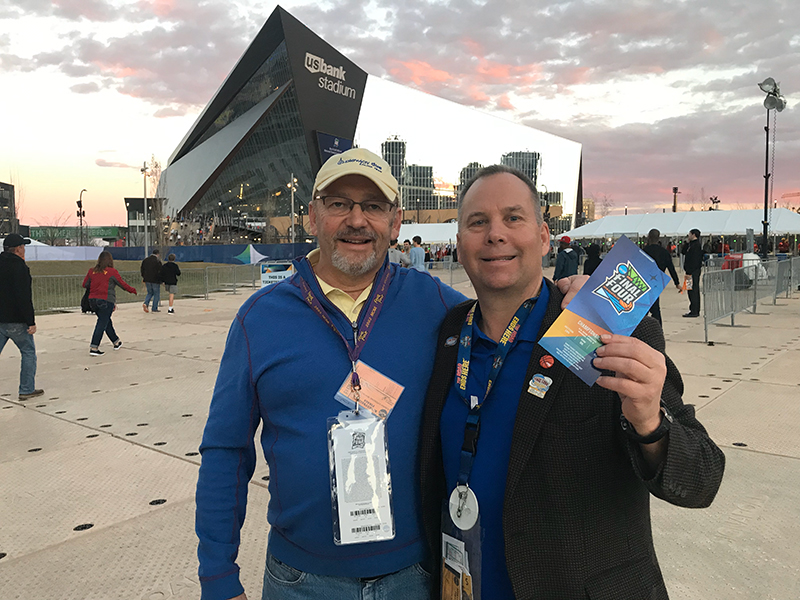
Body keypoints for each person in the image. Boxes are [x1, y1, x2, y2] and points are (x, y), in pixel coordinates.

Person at [194, 148, 589, 600]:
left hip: (415, 576)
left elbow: (514, 317)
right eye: (339, 203)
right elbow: (226, 452)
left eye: (373, 206)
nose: (357, 220)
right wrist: (218, 577)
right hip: (301, 580)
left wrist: (572, 298)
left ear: (395, 222)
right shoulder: (258, 320)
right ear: (311, 217)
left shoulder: (439, 307)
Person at [419, 165, 725, 600]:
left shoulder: (605, 327)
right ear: (460, 243)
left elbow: (702, 478)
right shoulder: (449, 334)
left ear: (544, 237)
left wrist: (650, 424)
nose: (495, 234)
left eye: (513, 218)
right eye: (477, 222)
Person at [0, 234, 43, 400]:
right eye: (23, 246)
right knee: (28, 352)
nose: (24, 249)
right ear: (18, 248)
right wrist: (30, 321)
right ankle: (26, 389)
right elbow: (23, 296)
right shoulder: (20, 267)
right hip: (17, 320)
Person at [82, 251, 137, 356]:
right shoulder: (112, 272)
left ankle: (116, 341)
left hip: (92, 300)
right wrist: (132, 290)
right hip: (106, 300)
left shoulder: (92, 271)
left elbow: (85, 284)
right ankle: (94, 347)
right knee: (102, 323)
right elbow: (122, 284)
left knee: (105, 321)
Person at [643, 229, 681, 325]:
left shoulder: (644, 251)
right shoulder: (664, 252)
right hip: (657, 281)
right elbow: (671, 268)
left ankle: (641, 328)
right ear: (658, 238)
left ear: (648, 237)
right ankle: (658, 328)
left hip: (644, 281)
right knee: (656, 309)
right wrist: (677, 283)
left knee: (643, 308)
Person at [681, 229, 703, 317]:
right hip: (689, 271)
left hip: (693, 271)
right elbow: (683, 252)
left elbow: (695, 260)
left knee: (693, 290)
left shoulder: (696, 245)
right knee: (689, 290)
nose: (688, 236)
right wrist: (686, 243)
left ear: (693, 235)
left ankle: (695, 310)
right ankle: (692, 308)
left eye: (689, 234)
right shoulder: (690, 244)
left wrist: (690, 271)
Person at [140, 248, 162, 313]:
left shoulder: (145, 260)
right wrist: (161, 280)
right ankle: (154, 308)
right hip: (155, 280)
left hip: (147, 279)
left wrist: (144, 277)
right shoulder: (158, 261)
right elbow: (160, 271)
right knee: (156, 294)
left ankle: (146, 303)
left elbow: (142, 269)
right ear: (157, 254)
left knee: (150, 292)